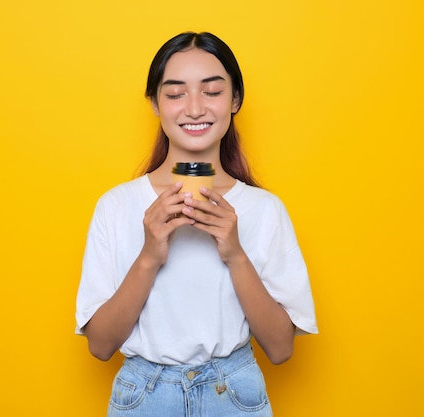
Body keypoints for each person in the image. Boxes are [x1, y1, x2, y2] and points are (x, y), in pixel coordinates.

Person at [75, 31, 317, 417]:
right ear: (155, 104)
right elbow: (100, 346)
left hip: (235, 396)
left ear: (235, 100)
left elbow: (281, 349)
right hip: (144, 398)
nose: (194, 108)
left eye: (212, 91)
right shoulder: (117, 206)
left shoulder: (264, 210)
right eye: (174, 94)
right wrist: (150, 255)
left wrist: (235, 253)